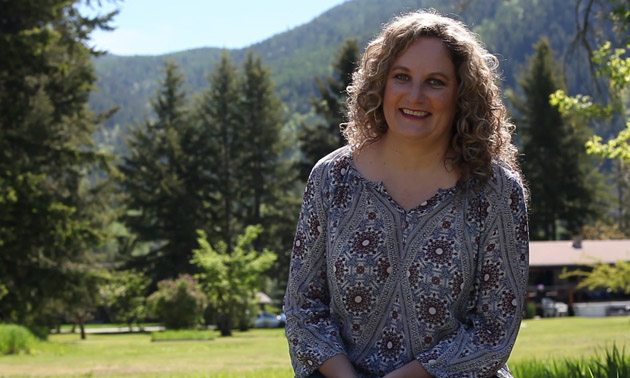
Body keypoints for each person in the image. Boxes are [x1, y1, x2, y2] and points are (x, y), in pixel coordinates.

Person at [284, 9, 529, 378]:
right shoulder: (330, 178)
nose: (415, 95)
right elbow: (304, 309)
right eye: (401, 77)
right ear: (380, 84)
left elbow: (494, 331)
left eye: (435, 82)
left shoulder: (495, 190)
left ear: (462, 95)